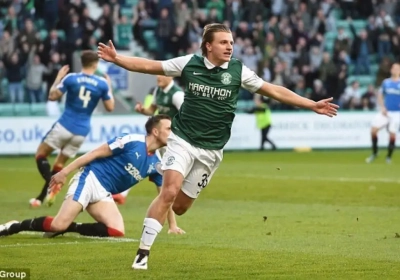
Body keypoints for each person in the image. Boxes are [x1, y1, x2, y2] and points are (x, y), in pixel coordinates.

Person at [97, 23, 339, 270]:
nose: (229, 47)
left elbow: (272, 90)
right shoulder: (189, 64)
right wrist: (117, 59)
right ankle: (142, 254)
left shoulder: (238, 71)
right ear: (208, 45)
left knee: (179, 207)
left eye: (231, 42)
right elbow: (151, 65)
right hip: (182, 140)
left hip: (211, 151)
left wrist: (311, 104)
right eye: (224, 42)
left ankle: (163, 177)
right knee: (169, 192)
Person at [0, 115, 185, 238]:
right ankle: (15, 226)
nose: (172, 132)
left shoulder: (158, 163)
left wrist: (172, 225)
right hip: (89, 179)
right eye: (169, 129)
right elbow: (94, 153)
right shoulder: (131, 141)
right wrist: (64, 172)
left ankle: (70, 227)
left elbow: (165, 197)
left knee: (117, 231)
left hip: (104, 193)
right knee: (57, 224)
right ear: (155, 131)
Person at [30, 50, 115, 208]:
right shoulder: (101, 84)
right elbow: (110, 107)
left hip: (65, 125)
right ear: (95, 64)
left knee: (40, 155)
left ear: (81, 63)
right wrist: (109, 86)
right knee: (59, 164)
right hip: (82, 131)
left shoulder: (71, 78)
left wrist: (58, 77)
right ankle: (42, 196)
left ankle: (52, 184)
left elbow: (52, 96)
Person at [113, 76, 185, 205]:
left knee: (169, 168)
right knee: (146, 161)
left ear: (170, 76)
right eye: (157, 74)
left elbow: (188, 116)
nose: (158, 77)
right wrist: (142, 110)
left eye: (161, 74)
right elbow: (152, 110)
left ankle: (173, 196)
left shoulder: (177, 95)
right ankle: (122, 194)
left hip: (174, 139)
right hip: (162, 137)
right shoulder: (158, 91)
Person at [366, 62, 400, 164]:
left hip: (397, 113)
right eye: (393, 68)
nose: (395, 70)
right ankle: (375, 153)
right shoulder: (386, 82)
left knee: (392, 134)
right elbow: (380, 95)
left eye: (397, 68)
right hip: (386, 111)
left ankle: (388, 157)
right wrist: (382, 107)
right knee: (373, 130)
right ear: (391, 70)